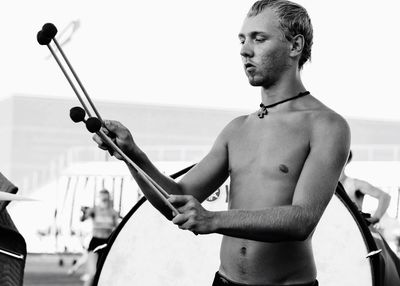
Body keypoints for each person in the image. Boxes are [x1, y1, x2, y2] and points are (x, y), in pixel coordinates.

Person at [93, 1, 350, 285]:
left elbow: (302, 220)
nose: (244, 50)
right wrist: (132, 155)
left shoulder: (327, 126)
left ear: (295, 45)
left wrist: (214, 220)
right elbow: (178, 200)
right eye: (242, 40)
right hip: (224, 281)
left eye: (258, 38)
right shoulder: (237, 129)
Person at [79, 189, 119, 286]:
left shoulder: (113, 212)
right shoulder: (94, 210)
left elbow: (117, 228)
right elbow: (82, 219)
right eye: (102, 198)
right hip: (95, 243)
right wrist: (84, 213)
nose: (104, 200)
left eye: (106, 197)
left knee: (106, 273)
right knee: (93, 273)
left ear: (109, 198)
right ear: (99, 198)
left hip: (107, 243)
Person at [340, 150, 391, 225]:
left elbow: (385, 197)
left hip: (352, 231)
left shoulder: (355, 184)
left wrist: (375, 218)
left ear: (347, 161)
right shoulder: (325, 186)